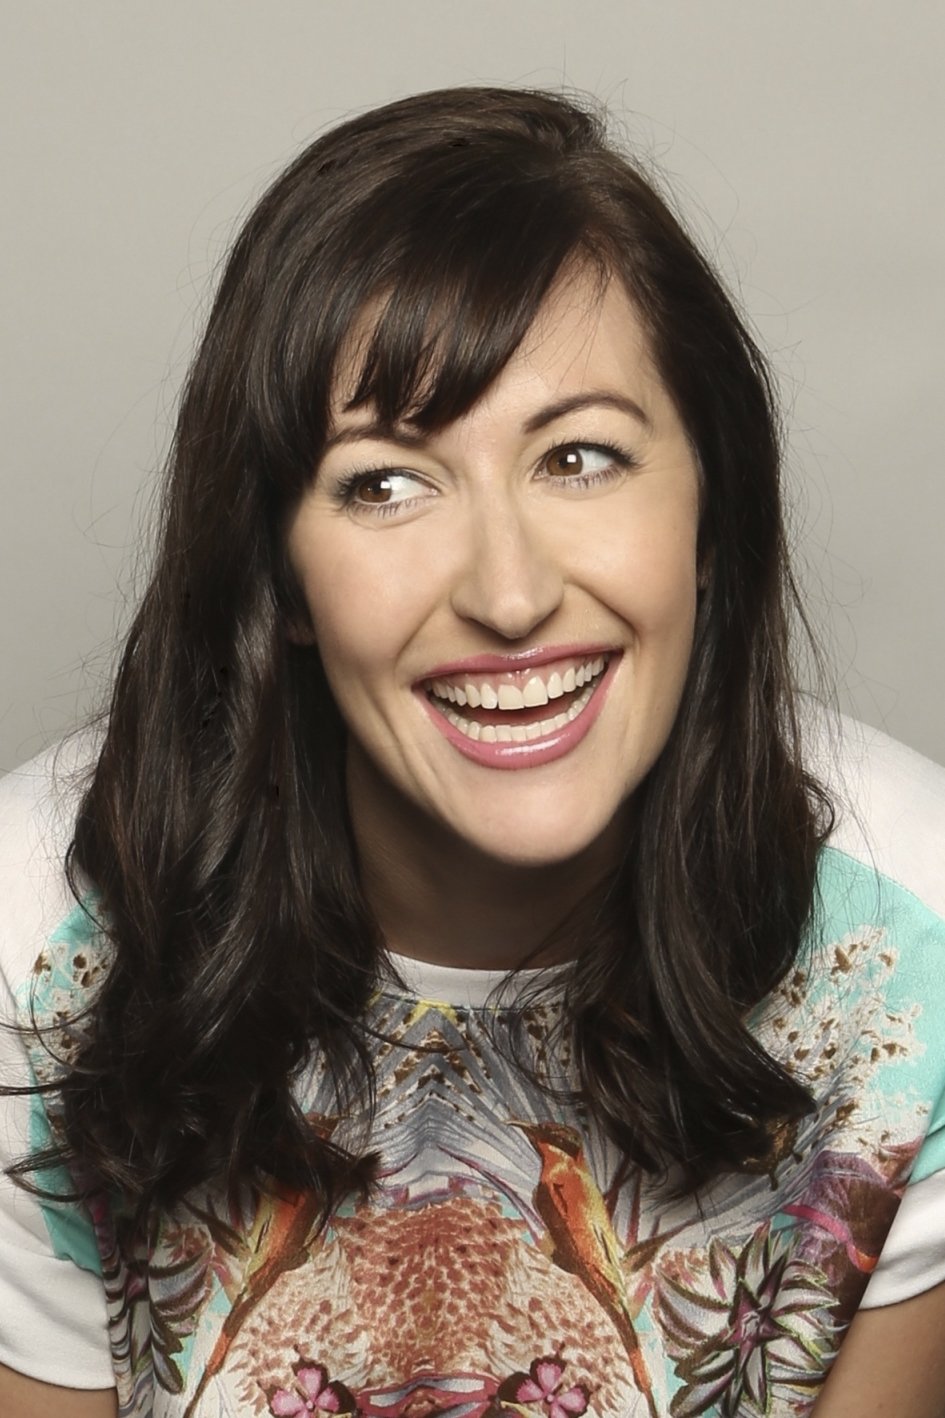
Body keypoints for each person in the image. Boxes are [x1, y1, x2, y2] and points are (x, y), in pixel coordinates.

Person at [1, 86, 944, 1418]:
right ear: (280, 571)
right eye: (384, 482)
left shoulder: (913, 959)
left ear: (711, 513)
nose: (508, 593)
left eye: (580, 457)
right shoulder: (38, 945)